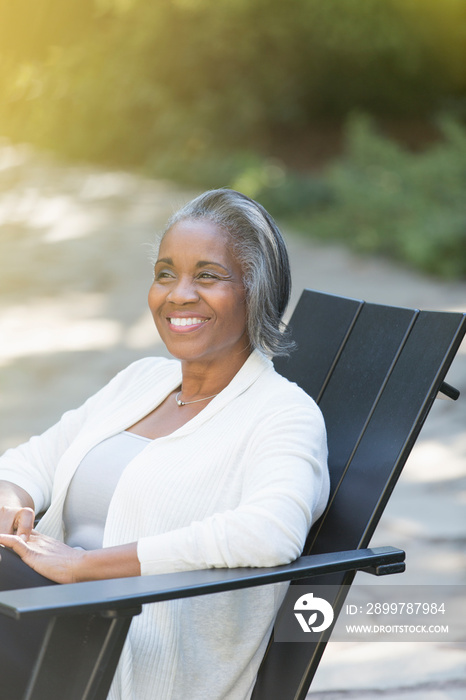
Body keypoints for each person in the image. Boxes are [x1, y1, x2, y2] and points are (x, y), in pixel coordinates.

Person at [0, 188, 329, 700]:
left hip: (127, 654)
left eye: (208, 275)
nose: (178, 294)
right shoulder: (142, 379)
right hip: (39, 611)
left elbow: (270, 532)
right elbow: (34, 459)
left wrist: (85, 566)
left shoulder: (283, 413)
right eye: (165, 273)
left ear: (255, 292)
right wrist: (11, 501)